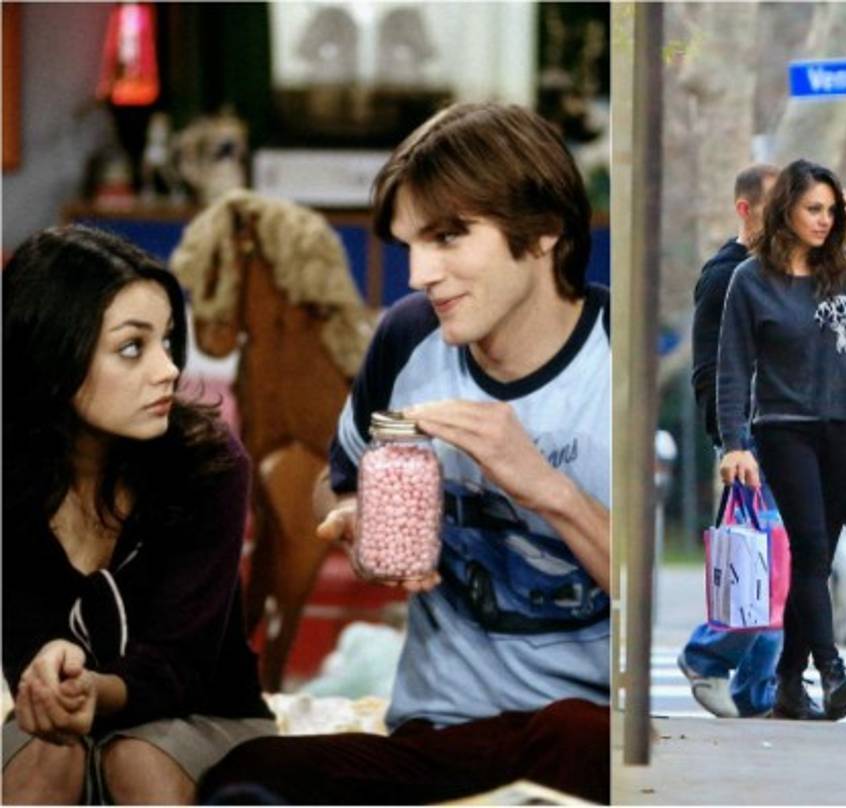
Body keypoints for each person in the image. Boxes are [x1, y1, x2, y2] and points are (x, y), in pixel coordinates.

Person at [199, 103, 610, 804]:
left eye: (449, 237)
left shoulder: (616, 356)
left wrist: (546, 488)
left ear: (543, 232)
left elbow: (676, 611)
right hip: (438, 733)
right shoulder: (408, 336)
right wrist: (355, 516)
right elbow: (333, 487)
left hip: (586, 733)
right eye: (409, 245)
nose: (420, 273)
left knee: (580, 741)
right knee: (245, 778)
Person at [1, 226, 274, 804]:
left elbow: (181, 665)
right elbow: (23, 651)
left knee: (137, 759)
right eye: (133, 347)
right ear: (53, 354)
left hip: (200, 713)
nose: (168, 370)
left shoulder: (211, 466)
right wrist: (49, 673)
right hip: (44, 721)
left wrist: (93, 690)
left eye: (168, 342)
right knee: (49, 759)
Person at [717, 160, 846, 721]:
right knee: (811, 550)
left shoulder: (840, 269)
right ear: (786, 209)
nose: (824, 220)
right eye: (814, 209)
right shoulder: (750, 280)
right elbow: (732, 368)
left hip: (844, 427)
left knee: (817, 562)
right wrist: (733, 443)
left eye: (832, 211)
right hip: (782, 429)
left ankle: (789, 685)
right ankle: (831, 667)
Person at [677, 163, 784, 719]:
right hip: (749, 441)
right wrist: (729, 440)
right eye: (777, 206)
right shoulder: (726, 276)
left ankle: (756, 690)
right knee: (764, 561)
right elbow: (710, 369)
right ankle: (708, 653)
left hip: (788, 434)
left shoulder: (786, 271)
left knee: (774, 564)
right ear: (745, 210)